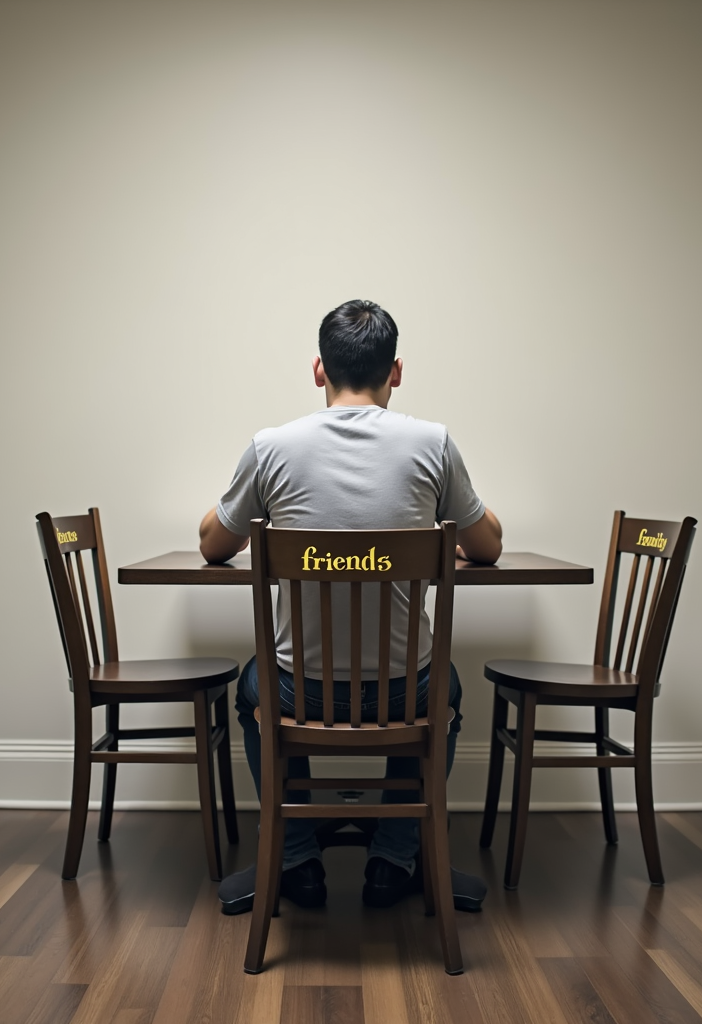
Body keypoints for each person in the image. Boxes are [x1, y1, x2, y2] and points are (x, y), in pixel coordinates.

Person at [199, 299, 502, 915]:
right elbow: (489, 547)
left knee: (255, 685)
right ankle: (394, 860)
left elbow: (212, 544)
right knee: (443, 687)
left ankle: (295, 862)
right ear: (396, 372)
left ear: (319, 370)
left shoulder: (270, 448)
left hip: (298, 696)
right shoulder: (433, 444)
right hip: (404, 696)